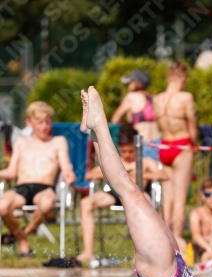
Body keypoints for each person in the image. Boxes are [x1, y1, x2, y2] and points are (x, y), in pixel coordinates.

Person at [80, 86, 210, 277]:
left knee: (130, 193)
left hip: (166, 274)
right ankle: (93, 129)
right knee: (130, 191)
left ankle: (99, 123)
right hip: (174, 267)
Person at [76, 124, 167, 263]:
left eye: (131, 151)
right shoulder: (116, 162)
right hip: (116, 195)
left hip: (139, 197)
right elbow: (90, 175)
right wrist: (117, 174)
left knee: (147, 203)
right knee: (85, 203)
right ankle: (88, 252)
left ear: (137, 147)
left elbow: (164, 175)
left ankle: (143, 254)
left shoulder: (145, 162)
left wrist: (142, 174)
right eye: (124, 151)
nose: (128, 155)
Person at [0, 101, 76, 257]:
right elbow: (12, 171)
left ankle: (23, 232)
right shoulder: (22, 142)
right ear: (29, 123)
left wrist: (69, 175)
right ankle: (23, 240)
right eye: (40, 122)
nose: (44, 126)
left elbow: (66, 167)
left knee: (47, 203)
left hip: (44, 188)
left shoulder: (58, 142)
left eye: (48, 122)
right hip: (21, 187)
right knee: (2, 205)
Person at [153, 62, 197, 251]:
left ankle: (163, 238)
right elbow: (192, 127)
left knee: (167, 198)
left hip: (164, 146)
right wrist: (194, 144)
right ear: (181, 79)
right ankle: (177, 239)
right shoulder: (186, 97)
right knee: (180, 199)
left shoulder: (157, 99)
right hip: (181, 145)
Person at [111, 69, 159, 143]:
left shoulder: (131, 96)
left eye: (131, 81)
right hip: (157, 142)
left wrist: (128, 125)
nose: (128, 84)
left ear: (138, 83)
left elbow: (115, 119)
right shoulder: (153, 98)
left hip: (142, 142)